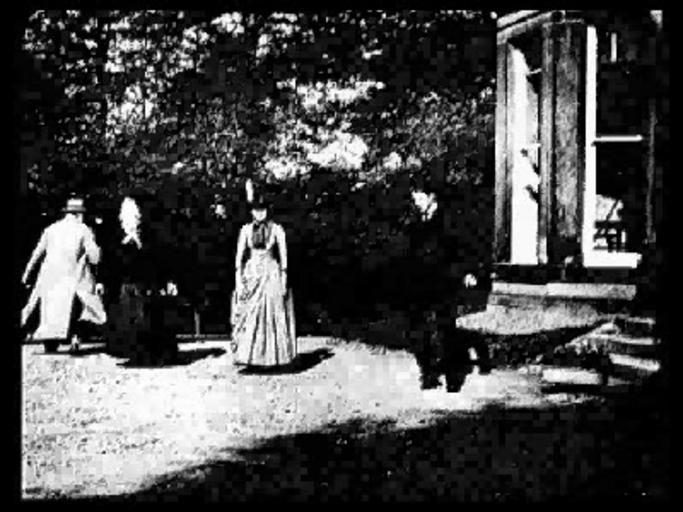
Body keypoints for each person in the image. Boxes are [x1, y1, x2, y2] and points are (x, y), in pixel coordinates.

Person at [21, 196, 107, 354]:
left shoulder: (51, 229)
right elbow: (94, 257)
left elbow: (37, 253)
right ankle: (75, 338)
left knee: (51, 310)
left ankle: (50, 341)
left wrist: (27, 274)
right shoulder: (84, 230)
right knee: (75, 309)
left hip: (50, 277)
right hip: (73, 277)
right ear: (79, 214)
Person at [104, 196, 179, 364]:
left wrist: (168, 280)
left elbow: (161, 258)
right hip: (126, 286)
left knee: (148, 320)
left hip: (147, 285)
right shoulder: (116, 238)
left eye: (134, 216)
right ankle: (133, 354)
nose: (130, 221)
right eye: (126, 217)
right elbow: (111, 262)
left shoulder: (150, 235)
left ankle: (151, 354)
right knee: (128, 321)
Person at [230, 182, 297, 368]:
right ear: (251, 211)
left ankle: (273, 358)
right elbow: (239, 258)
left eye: (263, 210)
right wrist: (239, 282)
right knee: (250, 313)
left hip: (270, 273)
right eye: (256, 210)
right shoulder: (245, 230)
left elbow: (284, 258)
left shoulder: (276, 229)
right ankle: (249, 357)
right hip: (252, 273)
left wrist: (283, 280)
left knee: (271, 313)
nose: (260, 214)